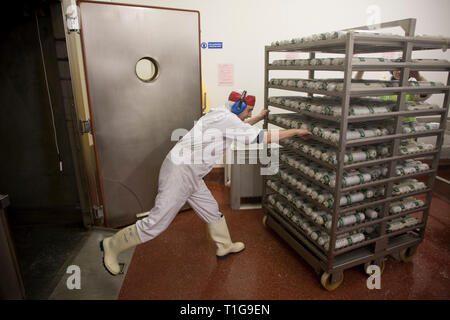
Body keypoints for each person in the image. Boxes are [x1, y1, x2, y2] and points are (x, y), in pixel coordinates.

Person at [100, 89, 312, 275]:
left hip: (189, 172)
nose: (248, 114)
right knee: (158, 222)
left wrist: (257, 116)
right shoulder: (228, 120)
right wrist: (295, 131)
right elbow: (260, 138)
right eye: (248, 110)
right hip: (180, 173)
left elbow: (241, 126)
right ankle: (113, 245)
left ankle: (224, 246)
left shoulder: (221, 115)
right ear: (238, 106)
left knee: (211, 209)